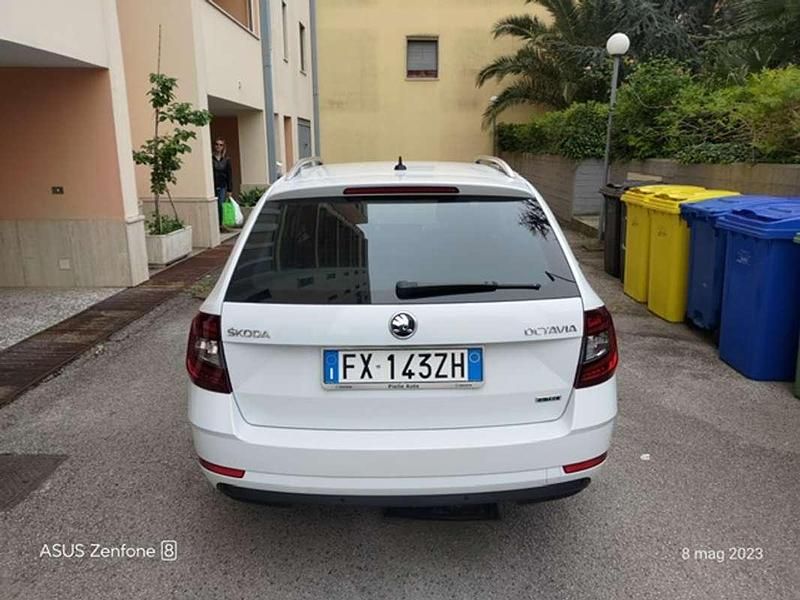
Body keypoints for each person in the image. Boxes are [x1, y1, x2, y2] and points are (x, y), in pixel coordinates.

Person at [212, 138, 233, 230]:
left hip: (223, 185)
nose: (218, 146)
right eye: (217, 144)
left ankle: (221, 224)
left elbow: (229, 174)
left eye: (221, 145)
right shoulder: (211, 158)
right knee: (215, 206)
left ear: (223, 147)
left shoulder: (226, 159)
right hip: (213, 185)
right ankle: (216, 224)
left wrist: (230, 189)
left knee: (221, 205)